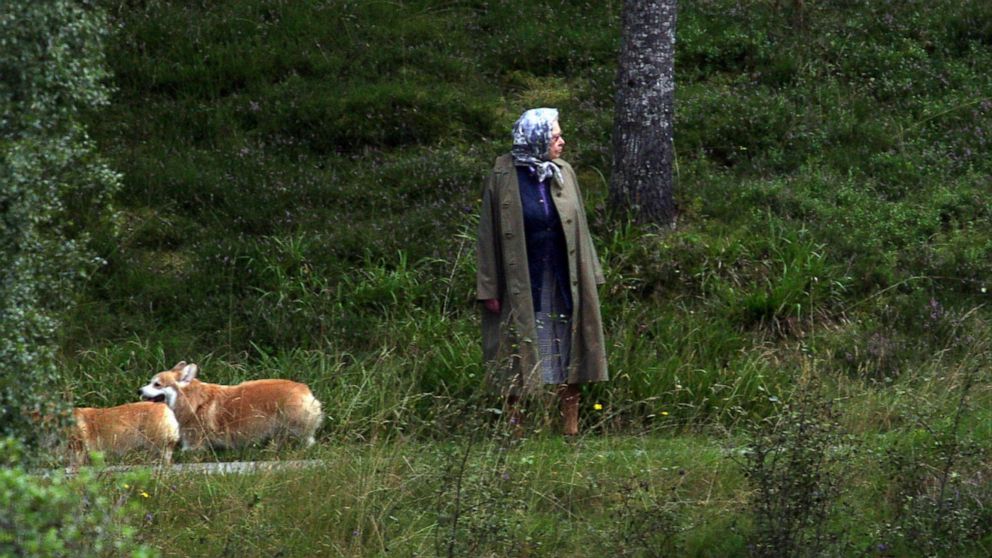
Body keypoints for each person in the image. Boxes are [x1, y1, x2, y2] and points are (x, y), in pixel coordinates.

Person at [476, 107, 608, 436]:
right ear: (535, 139)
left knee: (569, 349)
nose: (562, 142)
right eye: (555, 137)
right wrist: (488, 287)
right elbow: (488, 233)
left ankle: (570, 426)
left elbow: (581, 229)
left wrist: (592, 275)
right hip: (520, 279)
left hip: (562, 278)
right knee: (514, 351)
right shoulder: (503, 173)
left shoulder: (563, 171)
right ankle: (516, 427)